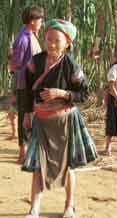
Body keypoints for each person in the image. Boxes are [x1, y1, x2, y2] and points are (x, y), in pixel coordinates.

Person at [22, 19, 98, 218]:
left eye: (57, 40)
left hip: (65, 122)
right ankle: (34, 209)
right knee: (38, 166)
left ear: (67, 43)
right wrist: (27, 114)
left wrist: (62, 93)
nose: (51, 44)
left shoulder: (72, 67)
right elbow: (25, 91)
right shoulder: (35, 62)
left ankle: (69, 206)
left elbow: (84, 94)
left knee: (68, 166)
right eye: (48, 39)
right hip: (41, 121)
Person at [9, 5, 44, 163]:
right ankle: (22, 152)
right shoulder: (23, 39)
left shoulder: (32, 35)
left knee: (31, 115)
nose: (41, 22)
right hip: (25, 84)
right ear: (32, 21)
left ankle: (29, 150)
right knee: (24, 115)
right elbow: (15, 64)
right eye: (40, 19)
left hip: (32, 83)